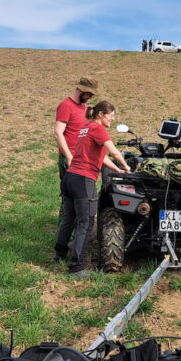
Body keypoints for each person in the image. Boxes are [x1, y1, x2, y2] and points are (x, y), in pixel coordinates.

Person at [54, 101, 130, 276]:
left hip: (70, 178)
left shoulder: (85, 128)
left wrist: (118, 169)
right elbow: (114, 152)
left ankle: (59, 254)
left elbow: (100, 157)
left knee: (68, 218)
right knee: (86, 223)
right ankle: (76, 267)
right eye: (111, 116)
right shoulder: (98, 129)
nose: (112, 119)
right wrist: (126, 165)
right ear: (101, 114)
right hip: (83, 180)